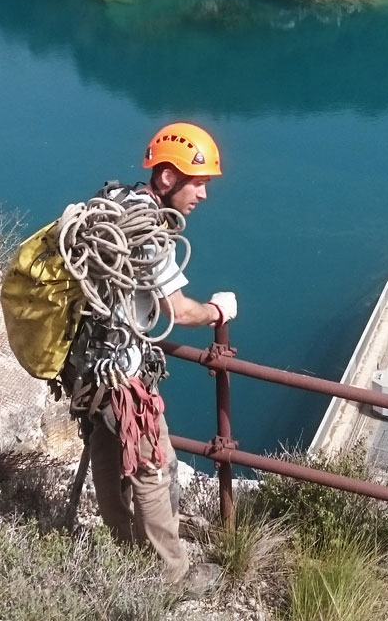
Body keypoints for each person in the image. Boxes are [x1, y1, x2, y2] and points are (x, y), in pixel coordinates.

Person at [71, 121, 237, 586]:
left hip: (85, 365)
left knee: (106, 454)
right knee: (151, 466)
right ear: (168, 178)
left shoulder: (112, 203)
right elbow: (177, 309)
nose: (203, 194)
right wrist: (216, 310)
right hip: (121, 370)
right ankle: (172, 575)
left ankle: (123, 552)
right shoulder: (148, 231)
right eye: (198, 182)